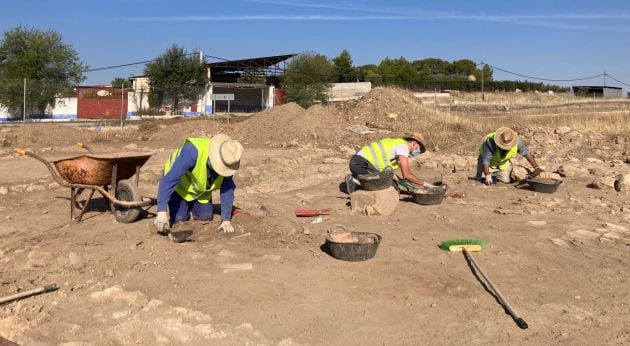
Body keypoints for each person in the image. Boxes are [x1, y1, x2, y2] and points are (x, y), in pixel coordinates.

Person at [154, 134, 243, 235]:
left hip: (200, 192)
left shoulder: (228, 161)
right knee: (180, 218)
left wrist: (226, 220)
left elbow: (227, 189)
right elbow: (168, 180)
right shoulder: (193, 151)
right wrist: (161, 211)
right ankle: (181, 204)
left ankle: (192, 205)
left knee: (205, 217)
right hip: (179, 187)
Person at [346, 132, 429, 193]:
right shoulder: (403, 148)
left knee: (394, 185)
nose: (419, 151)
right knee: (390, 189)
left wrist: (407, 185)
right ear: (413, 143)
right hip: (361, 164)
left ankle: (359, 178)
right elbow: (406, 175)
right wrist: (425, 184)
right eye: (419, 148)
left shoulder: (396, 143)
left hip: (358, 162)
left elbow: (389, 174)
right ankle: (356, 182)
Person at [476, 127, 542, 185]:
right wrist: (487, 175)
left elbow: (527, 153)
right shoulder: (490, 142)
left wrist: (536, 167)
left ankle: (495, 175)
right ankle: (488, 175)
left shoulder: (517, 142)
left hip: (502, 164)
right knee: (480, 181)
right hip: (486, 163)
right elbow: (486, 161)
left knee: (505, 181)